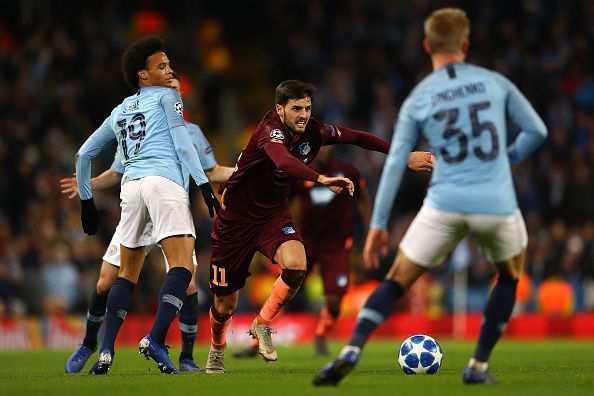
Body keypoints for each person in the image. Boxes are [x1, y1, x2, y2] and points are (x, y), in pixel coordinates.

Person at [313, 7, 547, 386]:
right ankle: (478, 367)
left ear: (426, 46)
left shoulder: (420, 97)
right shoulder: (495, 82)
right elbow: (537, 130)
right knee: (508, 275)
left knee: (396, 280)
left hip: (445, 202)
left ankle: (351, 350)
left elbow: (394, 164)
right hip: (496, 201)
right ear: (466, 44)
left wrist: (378, 224)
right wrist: (507, 159)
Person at [204, 79, 427, 375]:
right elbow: (283, 161)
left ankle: (262, 324)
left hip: (272, 215)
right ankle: (217, 350)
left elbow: (358, 137)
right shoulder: (269, 131)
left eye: (307, 108)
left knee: (297, 266)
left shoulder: (315, 131)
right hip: (235, 220)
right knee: (225, 305)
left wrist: (403, 156)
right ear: (279, 110)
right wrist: (320, 178)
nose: (303, 114)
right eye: (296, 108)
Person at [62, 73, 233, 374]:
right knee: (105, 281)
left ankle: (187, 358)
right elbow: (116, 172)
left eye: (178, 91)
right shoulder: (141, 126)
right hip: (146, 201)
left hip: (167, 209)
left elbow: (214, 169)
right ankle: (93, 346)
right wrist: (87, 184)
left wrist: (244, 170)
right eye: (170, 89)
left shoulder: (191, 132)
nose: (175, 95)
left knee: (189, 282)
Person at [232, 146, 433, 358]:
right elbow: (284, 204)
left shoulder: (347, 171)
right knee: (285, 291)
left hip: (337, 246)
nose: (323, 150)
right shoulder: (300, 172)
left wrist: (371, 228)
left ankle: (320, 336)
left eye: (327, 145)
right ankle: (255, 341)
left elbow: (362, 198)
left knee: (335, 302)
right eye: (319, 145)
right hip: (306, 243)